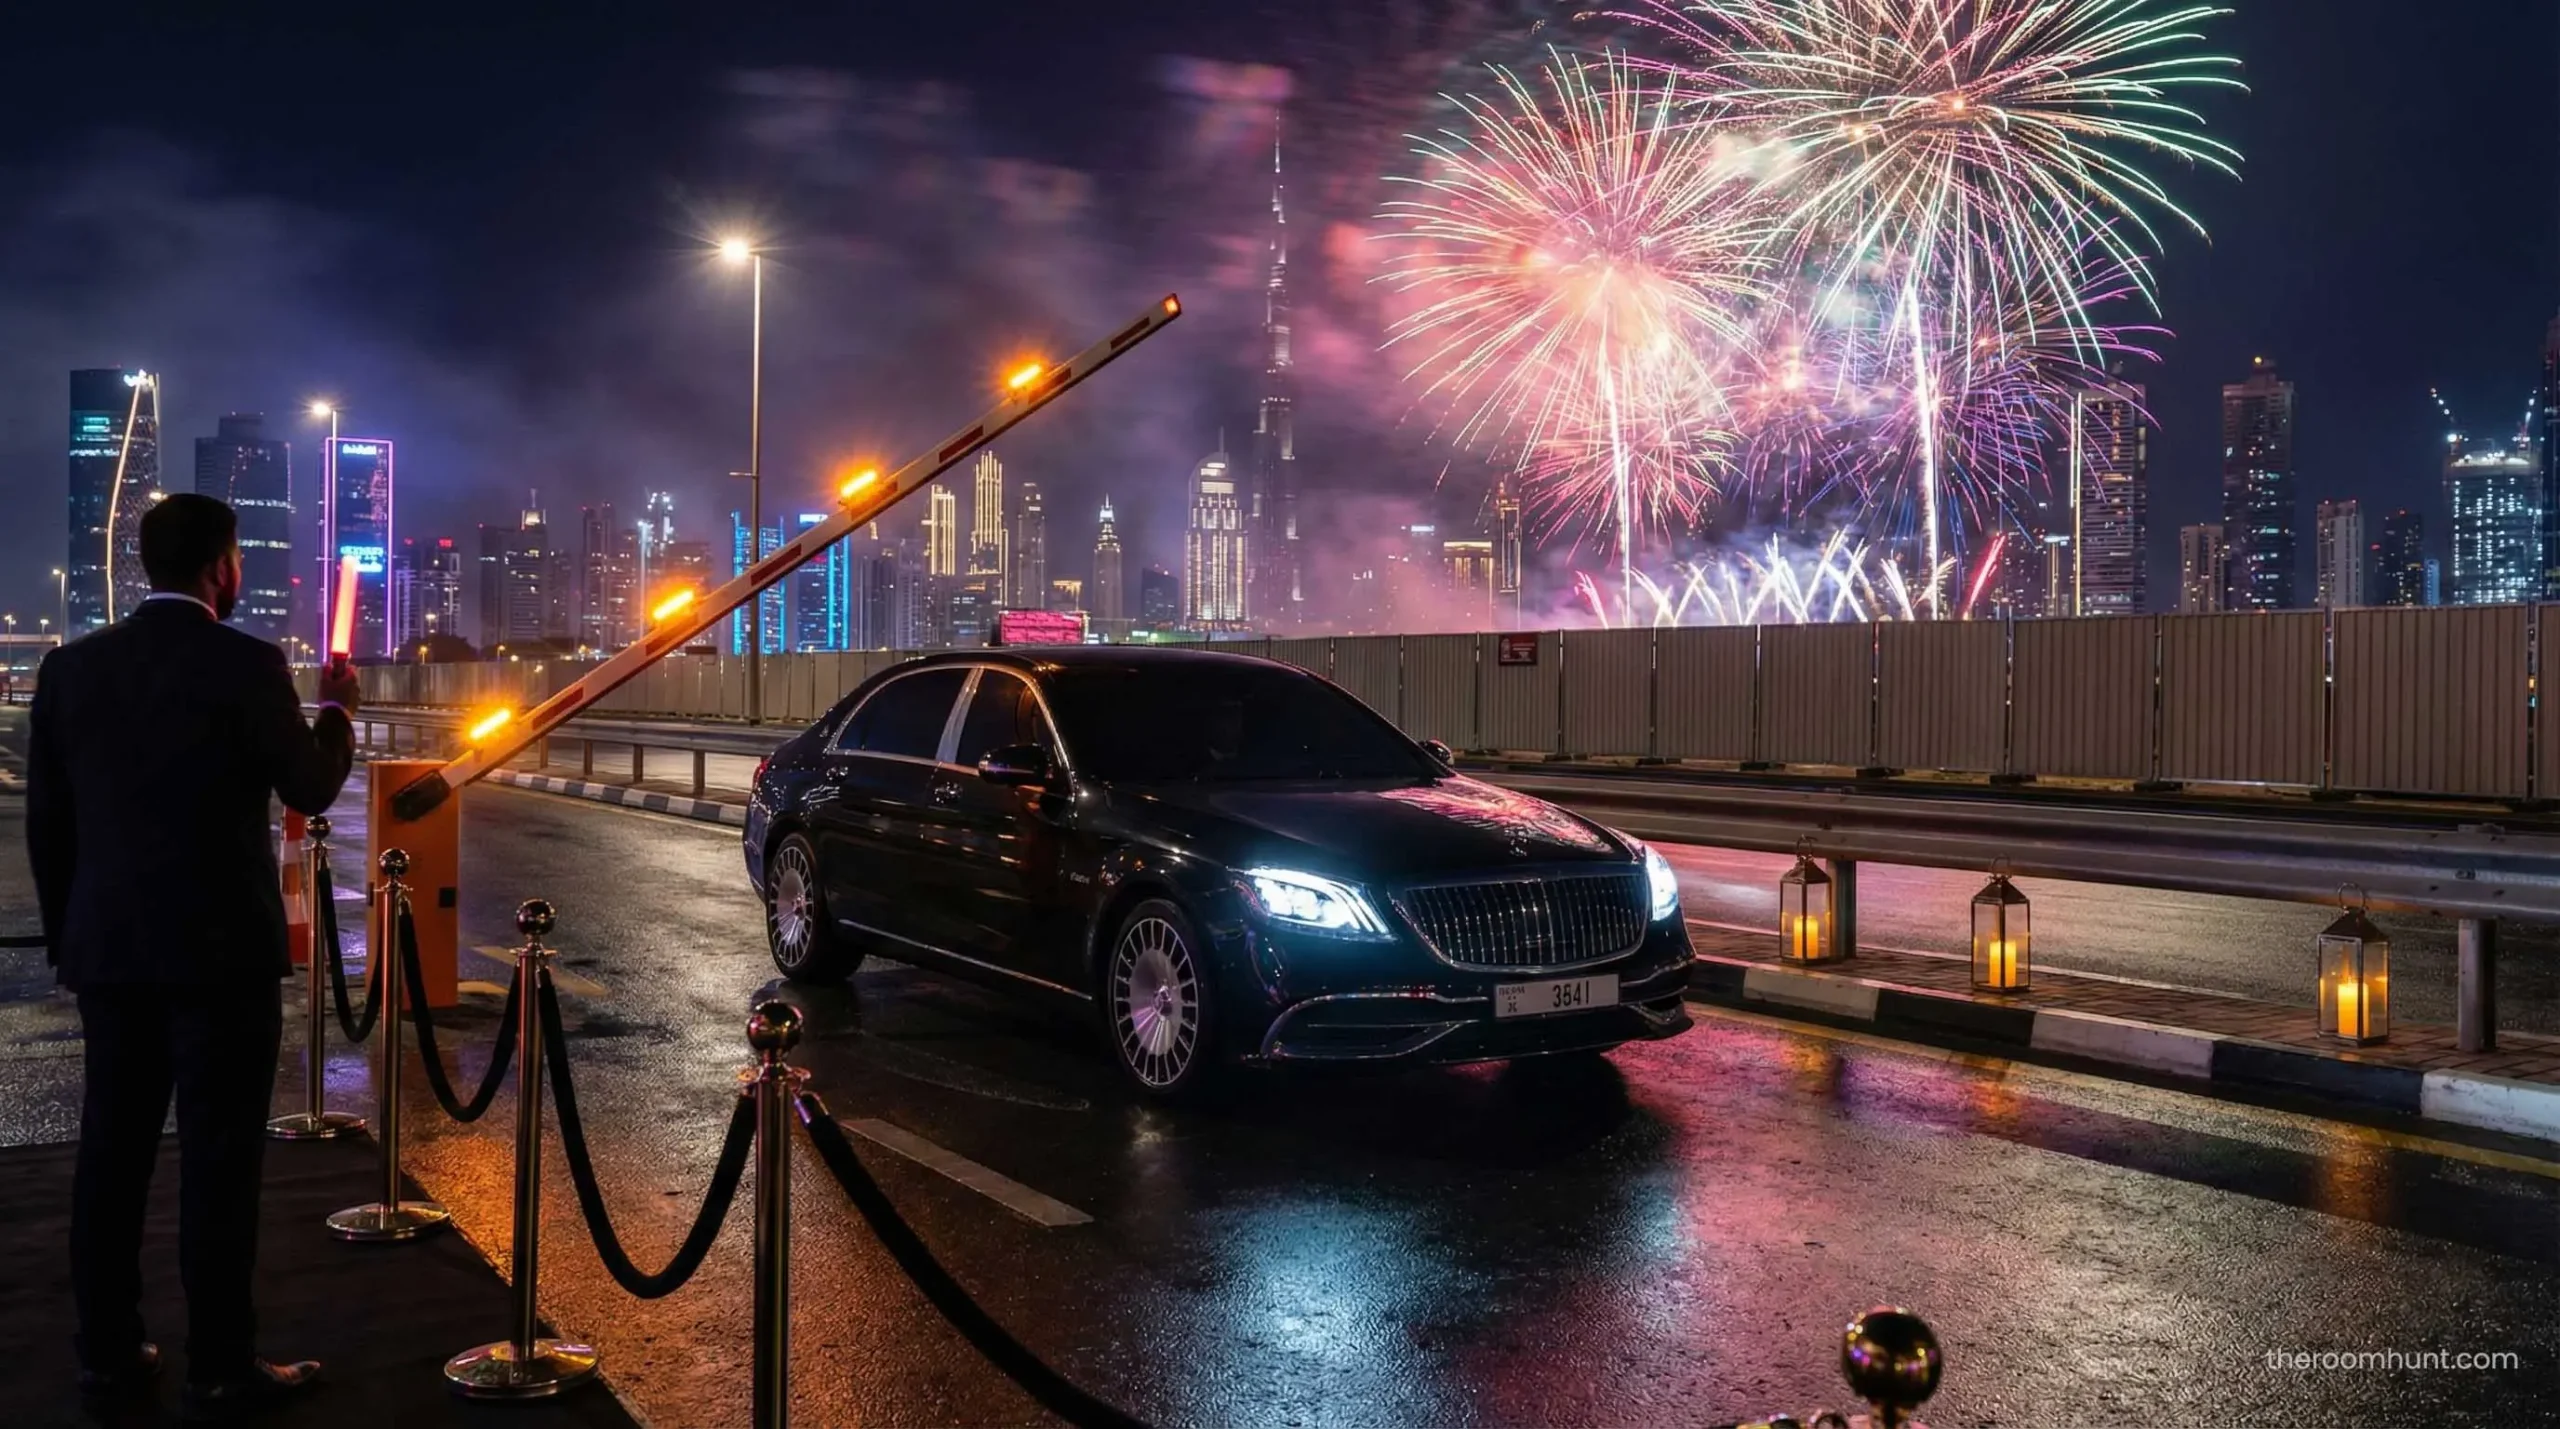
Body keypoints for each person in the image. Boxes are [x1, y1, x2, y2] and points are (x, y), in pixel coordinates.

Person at [28, 492, 361, 1417]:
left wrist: (73, 940)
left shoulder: (71, 671)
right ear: (223, 567)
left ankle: (106, 1351)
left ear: (145, 564)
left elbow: (47, 826)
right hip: (222, 957)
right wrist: (335, 710)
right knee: (218, 1165)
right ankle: (220, 1363)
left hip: (110, 954)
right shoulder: (249, 664)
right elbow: (310, 786)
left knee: (111, 1155)